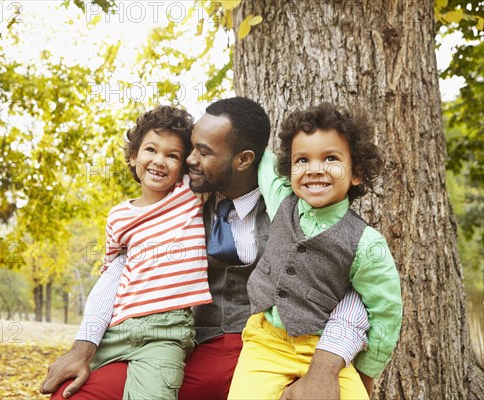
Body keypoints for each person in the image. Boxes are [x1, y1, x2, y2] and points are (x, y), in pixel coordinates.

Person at [41, 97, 371, 400]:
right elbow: (123, 263)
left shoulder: (296, 208)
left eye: (203, 151)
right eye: (190, 148)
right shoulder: (180, 201)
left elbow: (354, 290)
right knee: (71, 394)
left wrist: (324, 368)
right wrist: (82, 348)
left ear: (244, 161)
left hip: (267, 351)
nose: (188, 159)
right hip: (189, 348)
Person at [227, 102, 403, 399]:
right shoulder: (281, 199)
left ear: (357, 172)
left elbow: (385, 311)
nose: (314, 170)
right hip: (266, 343)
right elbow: (263, 158)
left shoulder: (366, 242)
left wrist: (367, 372)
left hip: (325, 347)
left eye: (331, 158)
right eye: (302, 160)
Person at [70, 105, 213, 400]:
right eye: (151, 150)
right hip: (117, 327)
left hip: (166, 332)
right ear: (134, 156)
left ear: (183, 166)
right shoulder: (118, 216)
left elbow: (218, 156)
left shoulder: (189, 195)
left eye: (172, 155)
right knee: (73, 386)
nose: (160, 161)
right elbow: (112, 272)